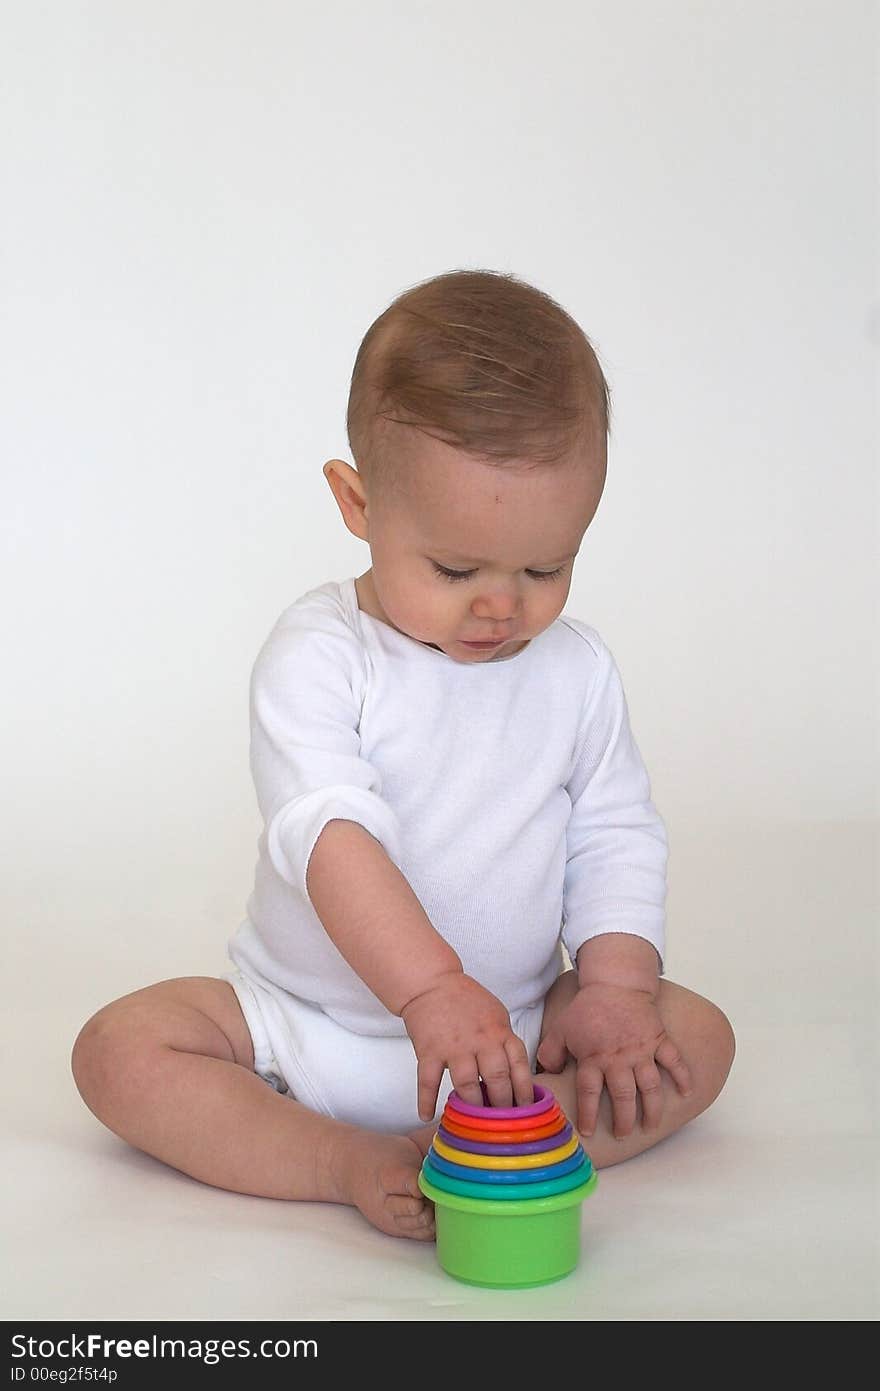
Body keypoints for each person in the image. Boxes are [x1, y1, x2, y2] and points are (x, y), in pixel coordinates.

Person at [72, 268, 735, 1243]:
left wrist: (613, 990)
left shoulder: (574, 669)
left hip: (507, 1029)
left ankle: (508, 1138)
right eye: (456, 567)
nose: (502, 604)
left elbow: (614, 830)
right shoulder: (321, 653)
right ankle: (333, 1156)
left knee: (697, 1041)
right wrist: (429, 989)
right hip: (304, 1025)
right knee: (119, 1051)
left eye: (544, 567)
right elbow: (330, 832)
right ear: (357, 501)